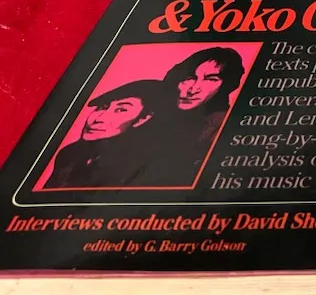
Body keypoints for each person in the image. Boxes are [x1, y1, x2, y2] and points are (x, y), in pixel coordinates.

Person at [139, 46, 247, 187]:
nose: (193, 89)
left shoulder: (222, 126)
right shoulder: (152, 115)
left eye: (211, 79)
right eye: (189, 78)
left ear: (226, 85)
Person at [40, 79, 169, 190]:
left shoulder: (142, 165)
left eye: (121, 110)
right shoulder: (70, 154)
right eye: (102, 107)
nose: (99, 118)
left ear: (143, 119)